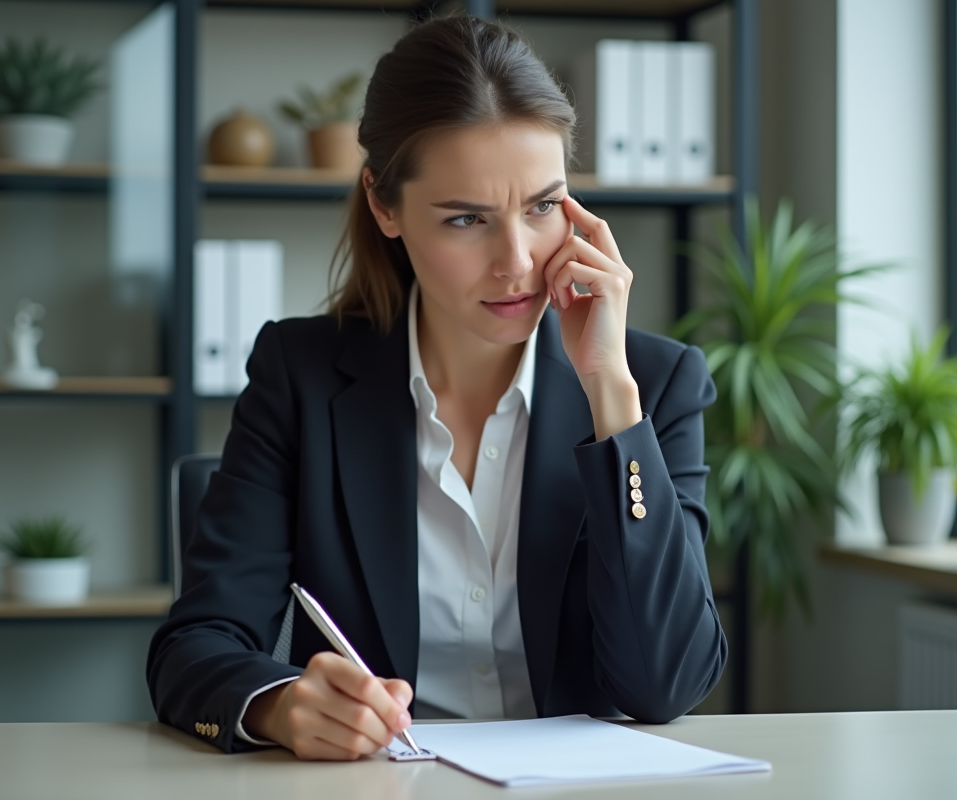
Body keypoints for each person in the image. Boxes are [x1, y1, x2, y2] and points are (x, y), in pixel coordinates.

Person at [147, 14, 726, 760]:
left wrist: (611, 397)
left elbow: (665, 685)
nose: (516, 260)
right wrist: (282, 705)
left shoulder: (653, 385)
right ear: (385, 206)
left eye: (543, 206)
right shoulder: (300, 373)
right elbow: (195, 645)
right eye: (465, 219)